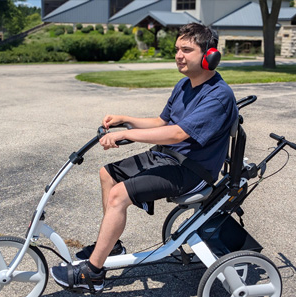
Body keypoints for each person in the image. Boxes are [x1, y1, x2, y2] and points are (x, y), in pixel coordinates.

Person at [51, 22, 238, 293]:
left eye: (187, 50)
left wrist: (128, 136)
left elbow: (176, 134)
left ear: (210, 55)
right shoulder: (184, 85)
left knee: (118, 195)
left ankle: (92, 274)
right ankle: (112, 247)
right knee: (108, 174)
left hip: (193, 172)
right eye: (177, 49)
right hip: (168, 158)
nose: (178, 55)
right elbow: (162, 121)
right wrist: (125, 120)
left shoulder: (218, 96)